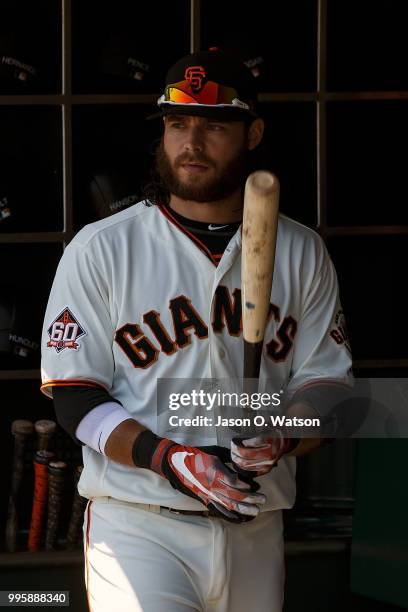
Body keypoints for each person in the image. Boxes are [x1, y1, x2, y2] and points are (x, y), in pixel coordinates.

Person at [40, 49, 353, 612]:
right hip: (140, 524)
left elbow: (330, 389)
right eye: (177, 124)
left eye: (214, 125)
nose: (191, 142)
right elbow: (73, 396)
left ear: (252, 132)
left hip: (257, 526)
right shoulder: (102, 248)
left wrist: (281, 433)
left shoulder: (303, 251)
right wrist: (169, 457)